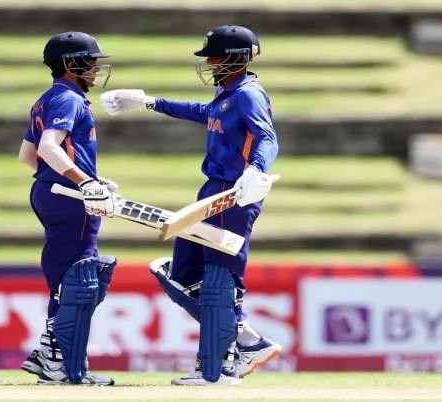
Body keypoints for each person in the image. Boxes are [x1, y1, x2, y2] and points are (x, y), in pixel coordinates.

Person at [100, 25, 281, 386]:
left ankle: (219, 367)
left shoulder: (248, 95)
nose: (210, 63)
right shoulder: (227, 92)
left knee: (220, 277)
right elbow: (201, 112)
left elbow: (266, 137)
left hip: (235, 192)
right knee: (181, 273)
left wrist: (256, 170)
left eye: (215, 57)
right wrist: (149, 102)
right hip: (212, 189)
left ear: (238, 58)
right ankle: (247, 339)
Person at [17, 31, 118, 386]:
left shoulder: (46, 99)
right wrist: (84, 182)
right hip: (69, 197)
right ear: (72, 64)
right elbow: (47, 148)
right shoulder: (69, 100)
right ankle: (61, 364)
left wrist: (87, 178)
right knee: (78, 279)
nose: (96, 69)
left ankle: (51, 353)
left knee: (69, 277)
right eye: (91, 63)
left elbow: (26, 156)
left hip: (49, 191)